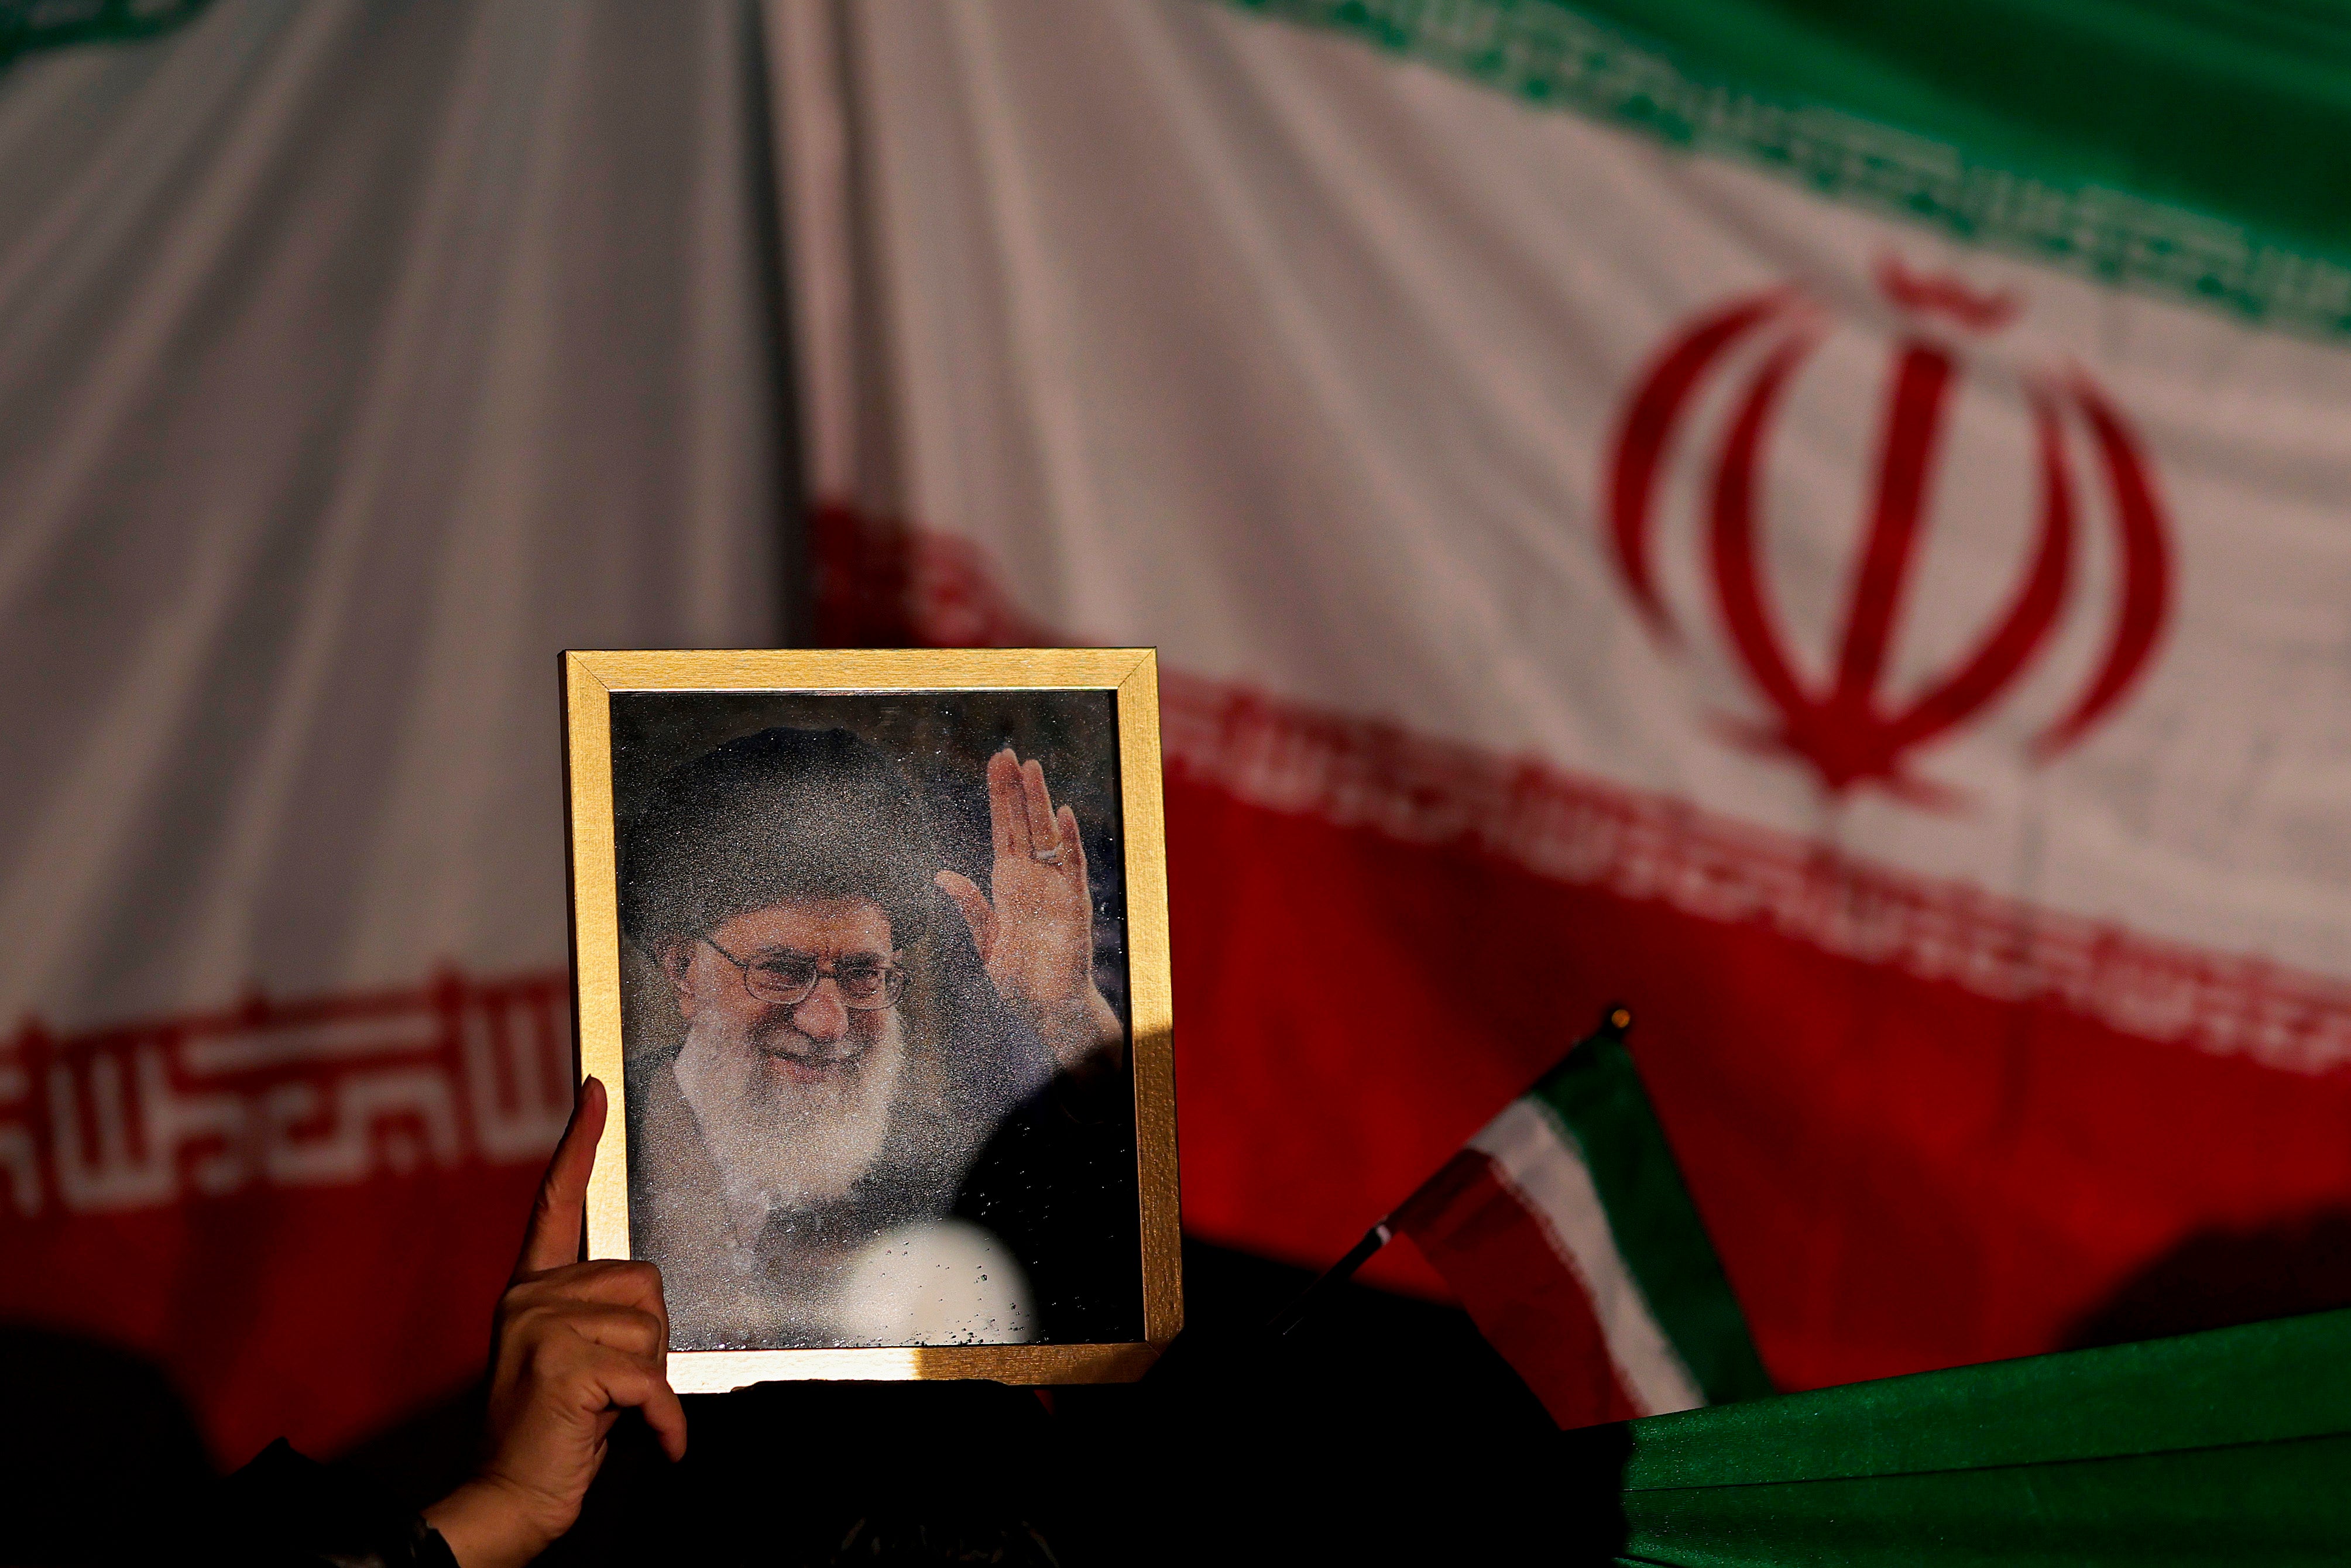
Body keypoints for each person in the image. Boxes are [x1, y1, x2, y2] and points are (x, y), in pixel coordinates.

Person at [617, 728, 1138, 1349]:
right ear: (683, 971)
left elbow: (1115, 1275)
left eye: (864, 974)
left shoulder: (954, 1168)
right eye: (782, 972)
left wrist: (1067, 1013)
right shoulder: (607, 1150)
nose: (828, 1023)